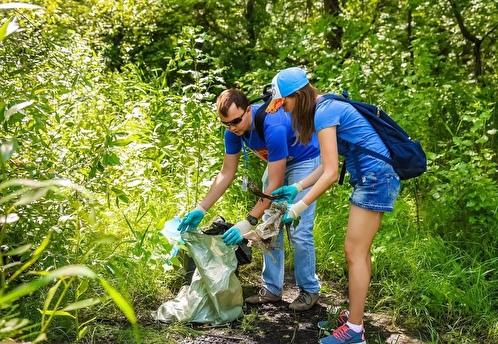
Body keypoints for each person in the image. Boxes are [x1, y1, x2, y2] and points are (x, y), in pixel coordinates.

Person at [267, 67, 400, 344]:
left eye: (286, 103)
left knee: (354, 252)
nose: (286, 110)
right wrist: (297, 187)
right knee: (359, 253)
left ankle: (354, 332)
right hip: (375, 177)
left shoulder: (324, 112)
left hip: (374, 179)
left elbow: (329, 175)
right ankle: (355, 317)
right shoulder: (326, 105)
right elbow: (330, 165)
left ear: (297, 96)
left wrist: (297, 208)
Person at [177, 88, 322, 311]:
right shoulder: (233, 132)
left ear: (247, 110)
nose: (232, 127)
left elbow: (272, 186)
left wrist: (248, 222)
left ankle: (309, 290)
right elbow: (226, 172)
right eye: (226, 123)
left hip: (304, 159)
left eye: (236, 121)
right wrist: (201, 208)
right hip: (278, 163)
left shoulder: (272, 125)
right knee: (269, 227)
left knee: (299, 229)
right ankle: (272, 289)